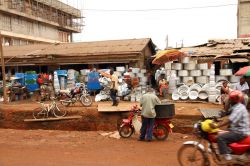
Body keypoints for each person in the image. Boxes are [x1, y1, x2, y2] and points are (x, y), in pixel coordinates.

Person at [210, 90, 250, 161]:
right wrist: (217, 117)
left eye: (232, 98)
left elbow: (229, 120)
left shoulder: (239, 109)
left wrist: (217, 126)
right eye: (230, 98)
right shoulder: (236, 106)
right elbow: (227, 112)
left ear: (236, 99)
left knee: (220, 138)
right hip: (236, 129)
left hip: (239, 132)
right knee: (220, 132)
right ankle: (227, 149)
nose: (230, 100)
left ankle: (227, 158)